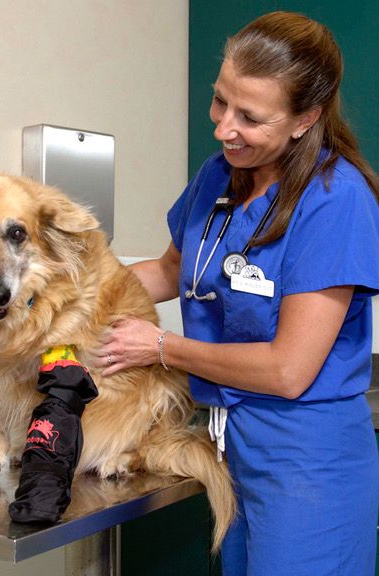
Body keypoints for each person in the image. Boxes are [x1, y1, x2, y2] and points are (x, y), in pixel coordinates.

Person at [96, 11, 379, 576]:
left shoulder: (335, 199)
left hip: (306, 460)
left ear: (305, 119)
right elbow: (172, 271)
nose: (224, 127)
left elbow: (288, 371)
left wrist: (161, 348)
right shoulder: (219, 175)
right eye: (219, 101)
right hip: (229, 447)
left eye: (250, 116)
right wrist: (69, 295)